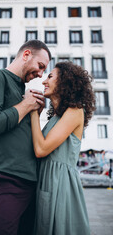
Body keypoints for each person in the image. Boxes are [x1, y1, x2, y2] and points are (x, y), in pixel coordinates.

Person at [0, 40, 51, 235]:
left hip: (31, 185)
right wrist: (26, 106)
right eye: (40, 66)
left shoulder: (23, 93)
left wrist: (35, 112)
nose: (41, 74)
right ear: (26, 55)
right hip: (3, 181)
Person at [30, 61, 96, 235]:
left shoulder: (75, 111)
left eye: (50, 76)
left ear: (65, 81)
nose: (44, 81)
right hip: (47, 181)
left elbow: (41, 149)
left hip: (60, 184)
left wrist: (32, 113)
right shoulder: (56, 117)